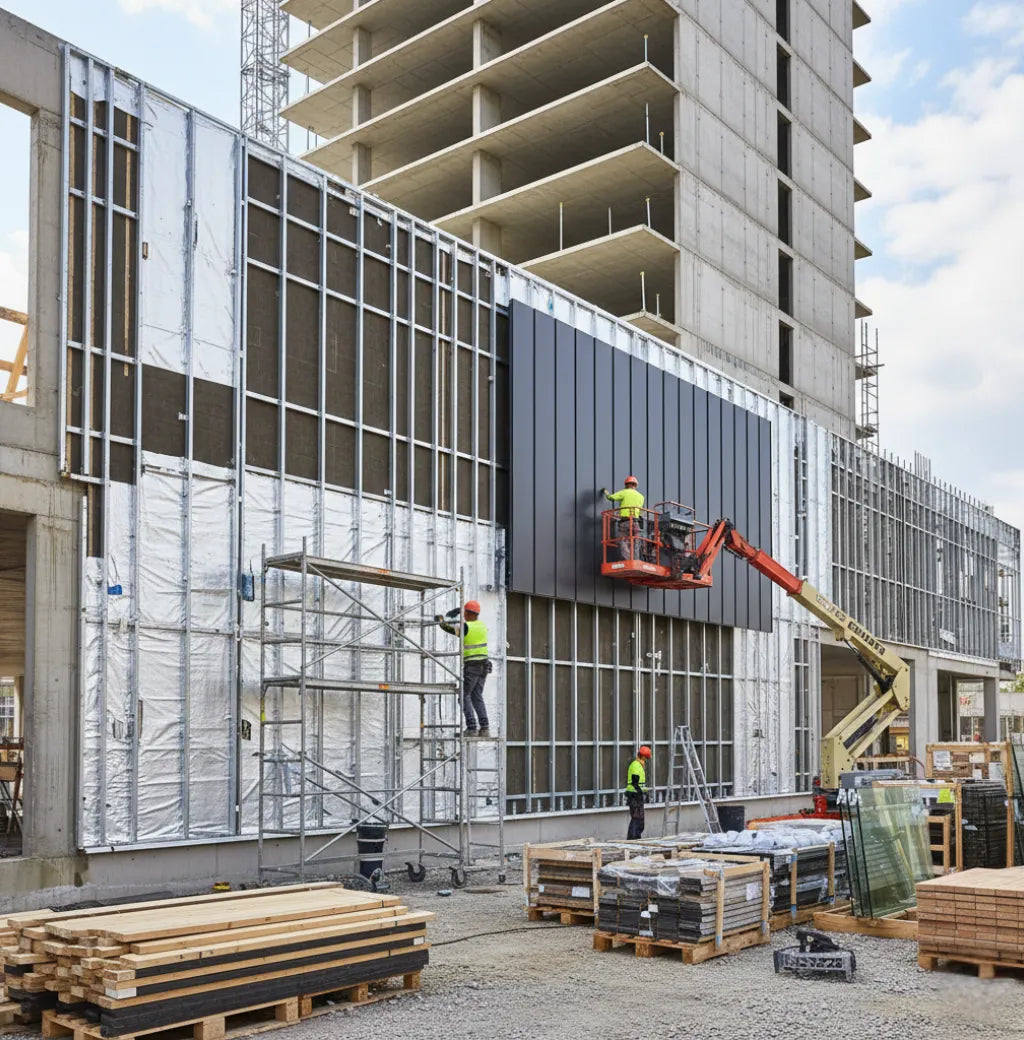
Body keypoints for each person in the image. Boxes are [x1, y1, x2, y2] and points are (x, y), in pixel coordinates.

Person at [436, 600, 491, 738]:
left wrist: (442, 620)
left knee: (463, 696)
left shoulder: (466, 627)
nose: (463, 615)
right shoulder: (482, 626)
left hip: (472, 666)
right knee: (476, 696)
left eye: (465, 612)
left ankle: (471, 728)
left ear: (469, 613)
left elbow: (448, 628)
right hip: (484, 666)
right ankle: (484, 728)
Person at [602, 476, 645, 558]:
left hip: (625, 522)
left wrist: (605, 492)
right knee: (636, 541)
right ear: (635, 485)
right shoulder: (641, 497)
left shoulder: (624, 492)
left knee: (623, 541)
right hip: (635, 523)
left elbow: (611, 498)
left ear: (626, 485)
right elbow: (641, 512)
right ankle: (635, 559)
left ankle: (628, 559)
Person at [624, 745, 652, 839]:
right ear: (643, 757)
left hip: (636, 794)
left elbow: (639, 784)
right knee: (636, 819)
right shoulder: (636, 765)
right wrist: (641, 793)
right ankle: (632, 839)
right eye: (646, 758)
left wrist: (645, 791)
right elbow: (635, 783)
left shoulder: (638, 765)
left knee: (639, 820)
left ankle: (636, 837)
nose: (646, 761)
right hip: (634, 796)